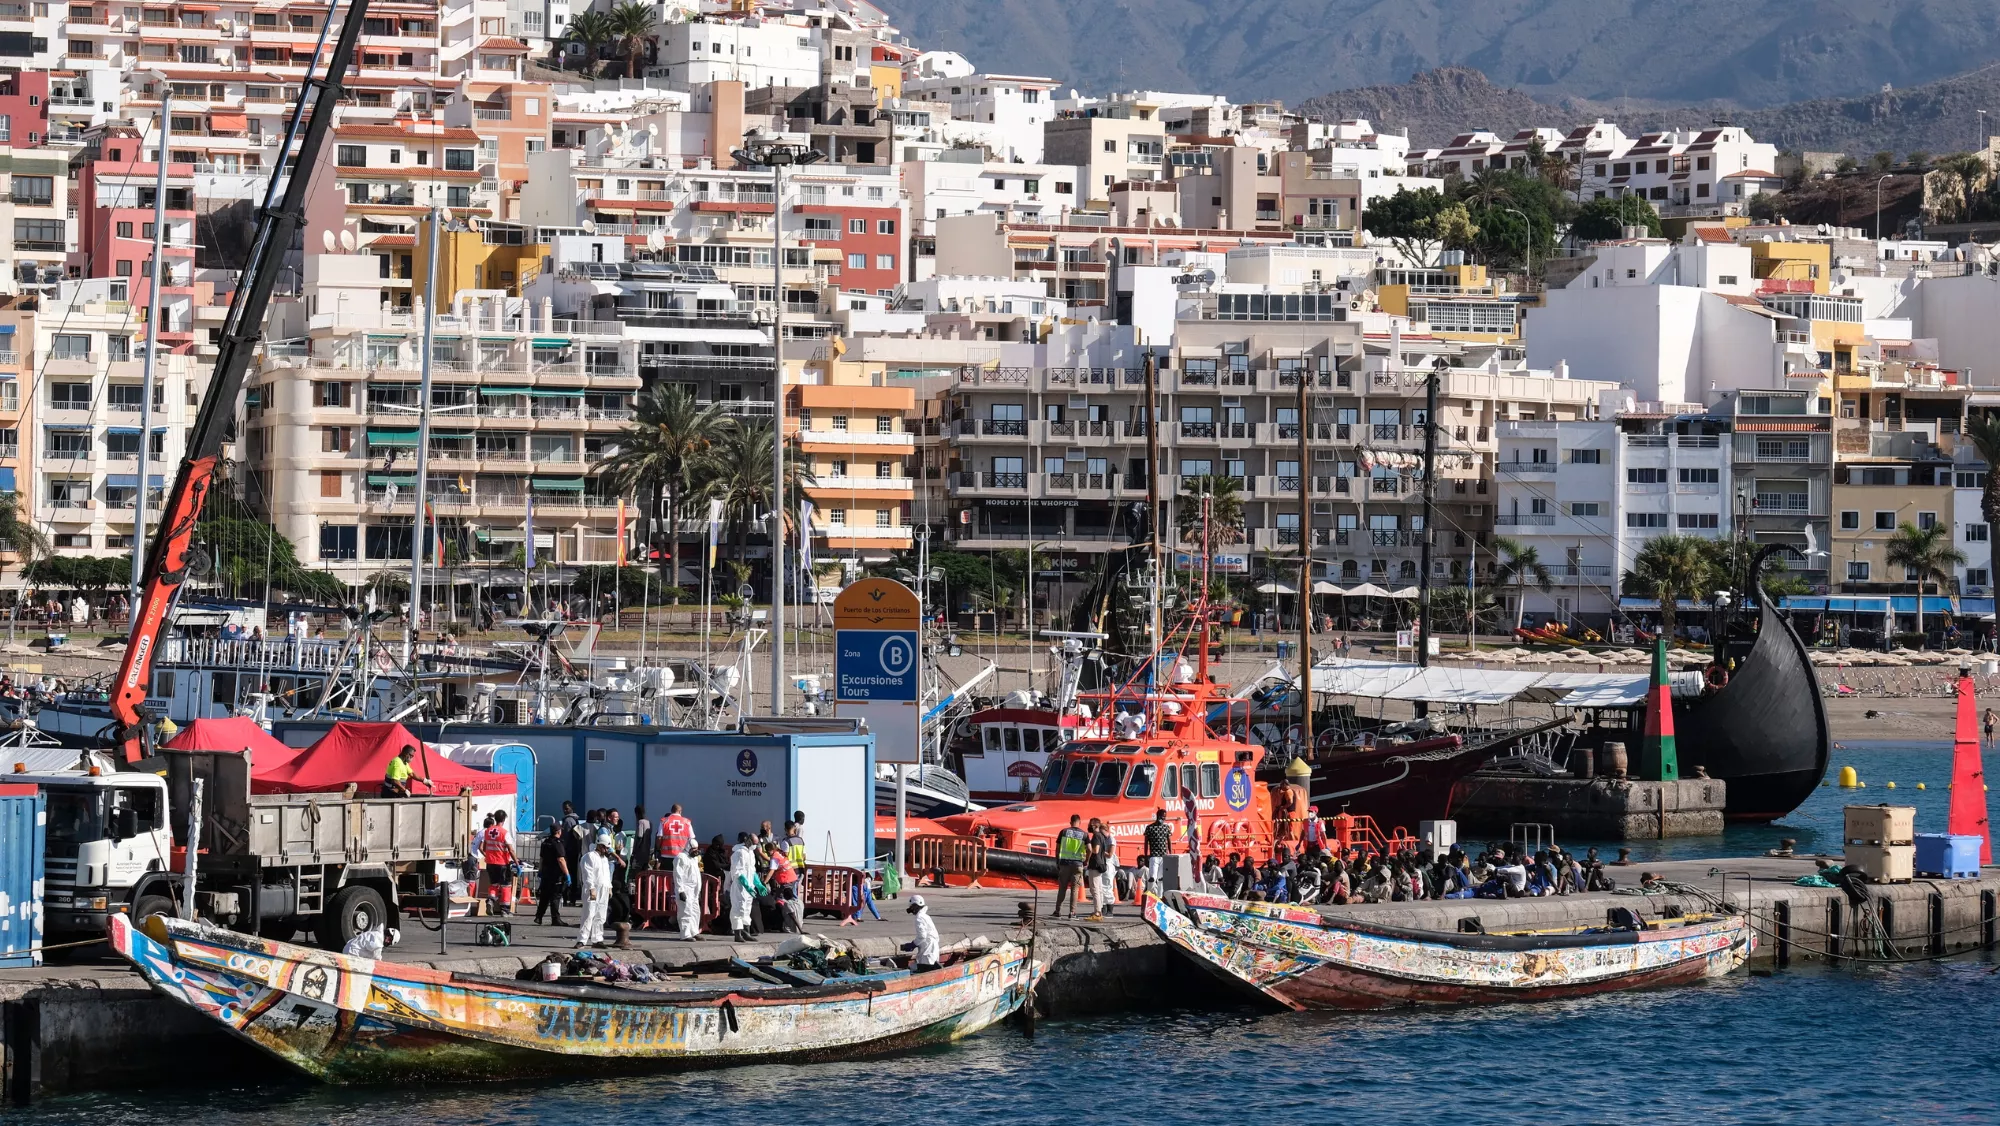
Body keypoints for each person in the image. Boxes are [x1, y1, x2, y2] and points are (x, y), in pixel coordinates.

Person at [577, 833, 613, 948]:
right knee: (588, 914)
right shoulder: (589, 857)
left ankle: (597, 939)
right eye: (605, 847)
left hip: (604, 889)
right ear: (600, 845)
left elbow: (607, 875)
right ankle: (582, 939)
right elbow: (588, 874)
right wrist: (591, 888)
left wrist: (609, 887)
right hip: (593, 889)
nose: (606, 850)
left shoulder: (604, 860)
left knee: (600, 915)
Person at [479, 810, 516, 915]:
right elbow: (510, 850)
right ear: (504, 819)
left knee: (494, 884)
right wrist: (517, 863)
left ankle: (490, 900)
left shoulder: (488, 831)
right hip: (502, 863)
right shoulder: (504, 833)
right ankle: (505, 910)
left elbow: (485, 848)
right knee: (505, 886)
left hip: (490, 863)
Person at [727, 831, 762, 942]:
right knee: (738, 909)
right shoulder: (738, 853)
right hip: (739, 886)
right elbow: (737, 872)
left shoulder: (750, 853)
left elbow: (752, 870)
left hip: (749, 887)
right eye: (754, 843)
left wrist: (758, 884)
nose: (755, 845)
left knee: (747, 909)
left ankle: (746, 932)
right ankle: (737, 934)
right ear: (747, 841)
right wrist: (746, 885)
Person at [1052, 814, 1088, 918]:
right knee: (1075, 889)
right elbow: (1089, 848)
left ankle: (1057, 911)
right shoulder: (1084, 834)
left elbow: (1058, 848)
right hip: (1077, 864)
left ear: (1070, 822)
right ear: (1079, 822)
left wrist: (1057, 861)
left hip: (1064, 863)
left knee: (1062, 888)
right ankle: (1072, 912)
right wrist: (1086, 860)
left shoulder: (1063, 832)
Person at [534, 824, 569, 926]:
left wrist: (540, 870)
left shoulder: (545, 842)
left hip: (546, 872)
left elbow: (541, 858)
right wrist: (567, 874)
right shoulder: (557, 843)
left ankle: (539, 916)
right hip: (555, 874)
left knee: (544, 896)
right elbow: (561, 860)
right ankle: (555, 919)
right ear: (558, 831)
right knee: (555, 896)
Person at [1084, 817, 1116, 921]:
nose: (1089, 826)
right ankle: (1098, 910)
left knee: (1095, 889)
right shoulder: (1101, 836)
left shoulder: (1096, 836)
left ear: (1095, 825)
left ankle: (1097, 912)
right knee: (1099, 889)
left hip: (1095, 864)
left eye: (1090, 824)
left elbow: (1096, 850)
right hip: (1101, 864)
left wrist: (1087, 849)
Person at [672, 842, 704, 941]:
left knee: (695, 911)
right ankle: (685, 934)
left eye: (697, 848)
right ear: (688, 847)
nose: (696, 850)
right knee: (685, 911)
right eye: (694, 848)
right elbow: (678, 875)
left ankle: (694, 932)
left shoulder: (693, 858)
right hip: (685, 889)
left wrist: (697, 891)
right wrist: (680, 890)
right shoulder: (681, 858)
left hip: (694, 890)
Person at [905, 894, 941, 972]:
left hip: (928, 948)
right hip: (932, 946)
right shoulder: (926, 916)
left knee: (926, 968)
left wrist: (913, 944)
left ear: (915, 906)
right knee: (931, 967)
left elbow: (922, 936)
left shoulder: (919, 918)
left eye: (911, 907)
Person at [1142, 808, 1173, 896]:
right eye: (1162, 816)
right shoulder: (1149, 828)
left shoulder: (1166, 827)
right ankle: (1150, 894)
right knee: (1152, 877)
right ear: (1158, 816)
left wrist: (1170, 853)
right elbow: (1146, 843)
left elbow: (1169, 841)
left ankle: (1159, 896)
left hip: (1164, 856)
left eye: (1165, 817)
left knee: (1161, 879)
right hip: (1154, 856)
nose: (1163, 818)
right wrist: (1145, 855)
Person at [632, 805, 654, 873]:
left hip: (640, 852)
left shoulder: (641, 822)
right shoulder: (649, 822)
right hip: (647, 851)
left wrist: (634, 851)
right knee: (645, 871)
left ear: (637, 813)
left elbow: (639, 837)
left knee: (637, 871)